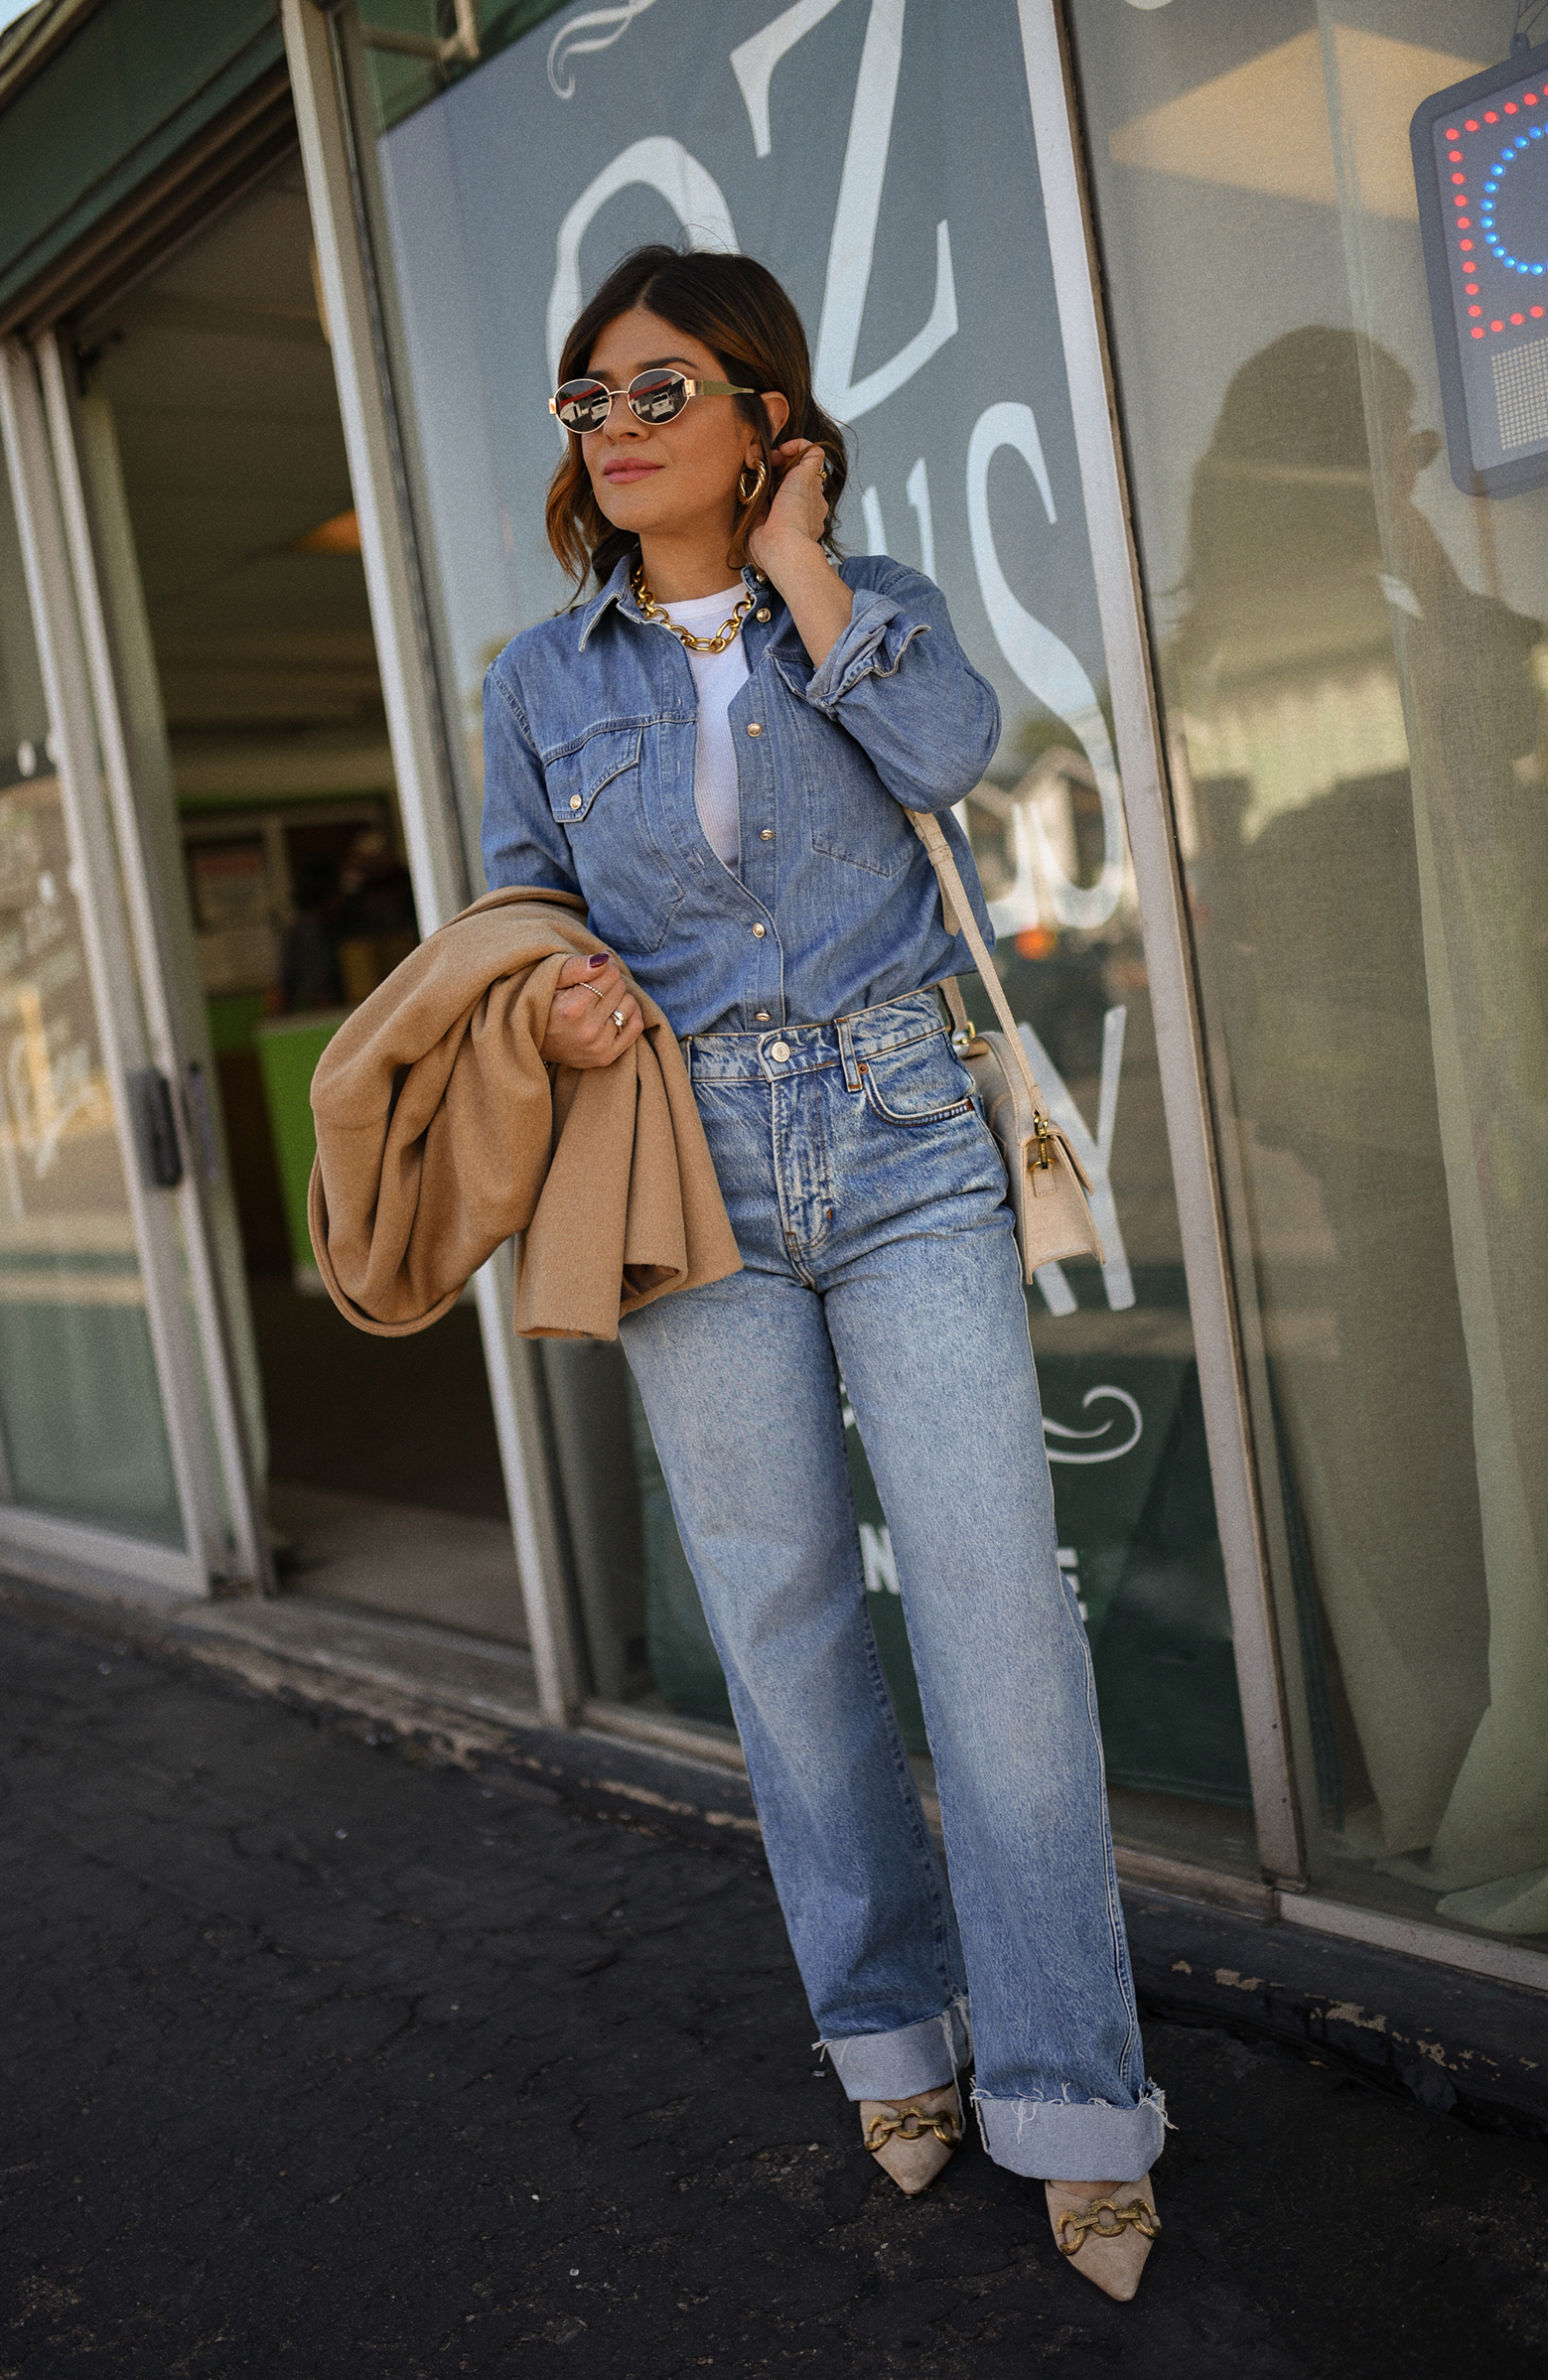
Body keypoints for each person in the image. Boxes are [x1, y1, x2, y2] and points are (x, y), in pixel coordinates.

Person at [481, 243, 1165, 2301]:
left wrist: (804, 572)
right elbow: (515, 903)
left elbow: (953, 752)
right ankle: (887, 2036)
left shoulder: (866, 616)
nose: (611, 426)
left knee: (990, 1618)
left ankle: (1071, 2092)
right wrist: (565, 1000)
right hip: (679, 1159)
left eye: (657, 389)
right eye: (584, 397)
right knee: (784, 1624)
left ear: (763, 417)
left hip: (896, 1138)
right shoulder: (538, 677)